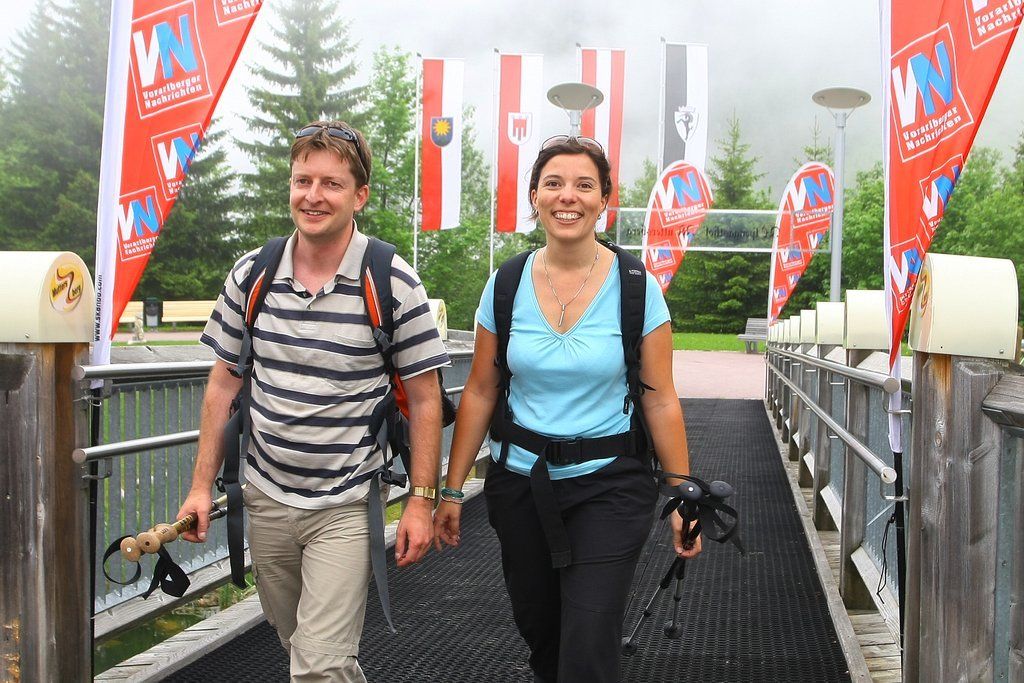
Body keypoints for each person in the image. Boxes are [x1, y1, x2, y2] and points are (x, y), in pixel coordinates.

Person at [177, 120, 449, 681]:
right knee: (298, 645)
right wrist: (201, 487)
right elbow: (223, 385)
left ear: (359, 196)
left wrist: (421, 501)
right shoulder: (252, 274)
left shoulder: (393, 281)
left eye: (331, 184)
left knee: (320, 663)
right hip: (265, 496)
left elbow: (426, 400)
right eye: (303, 181)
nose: (313, 196)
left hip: (346, 503)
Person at [433, 136, 702, 682]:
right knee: (543, 634)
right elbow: (481, 390)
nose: (567, 197)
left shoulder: (637, 288)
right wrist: (453, 488)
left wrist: (682, 494)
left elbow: (660, 397)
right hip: (520, 485)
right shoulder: (505, 285)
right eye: (553, 184)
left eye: (584, 185)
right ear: (534, 196)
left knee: (588, 638)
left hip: (610, 485)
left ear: (605, 199)